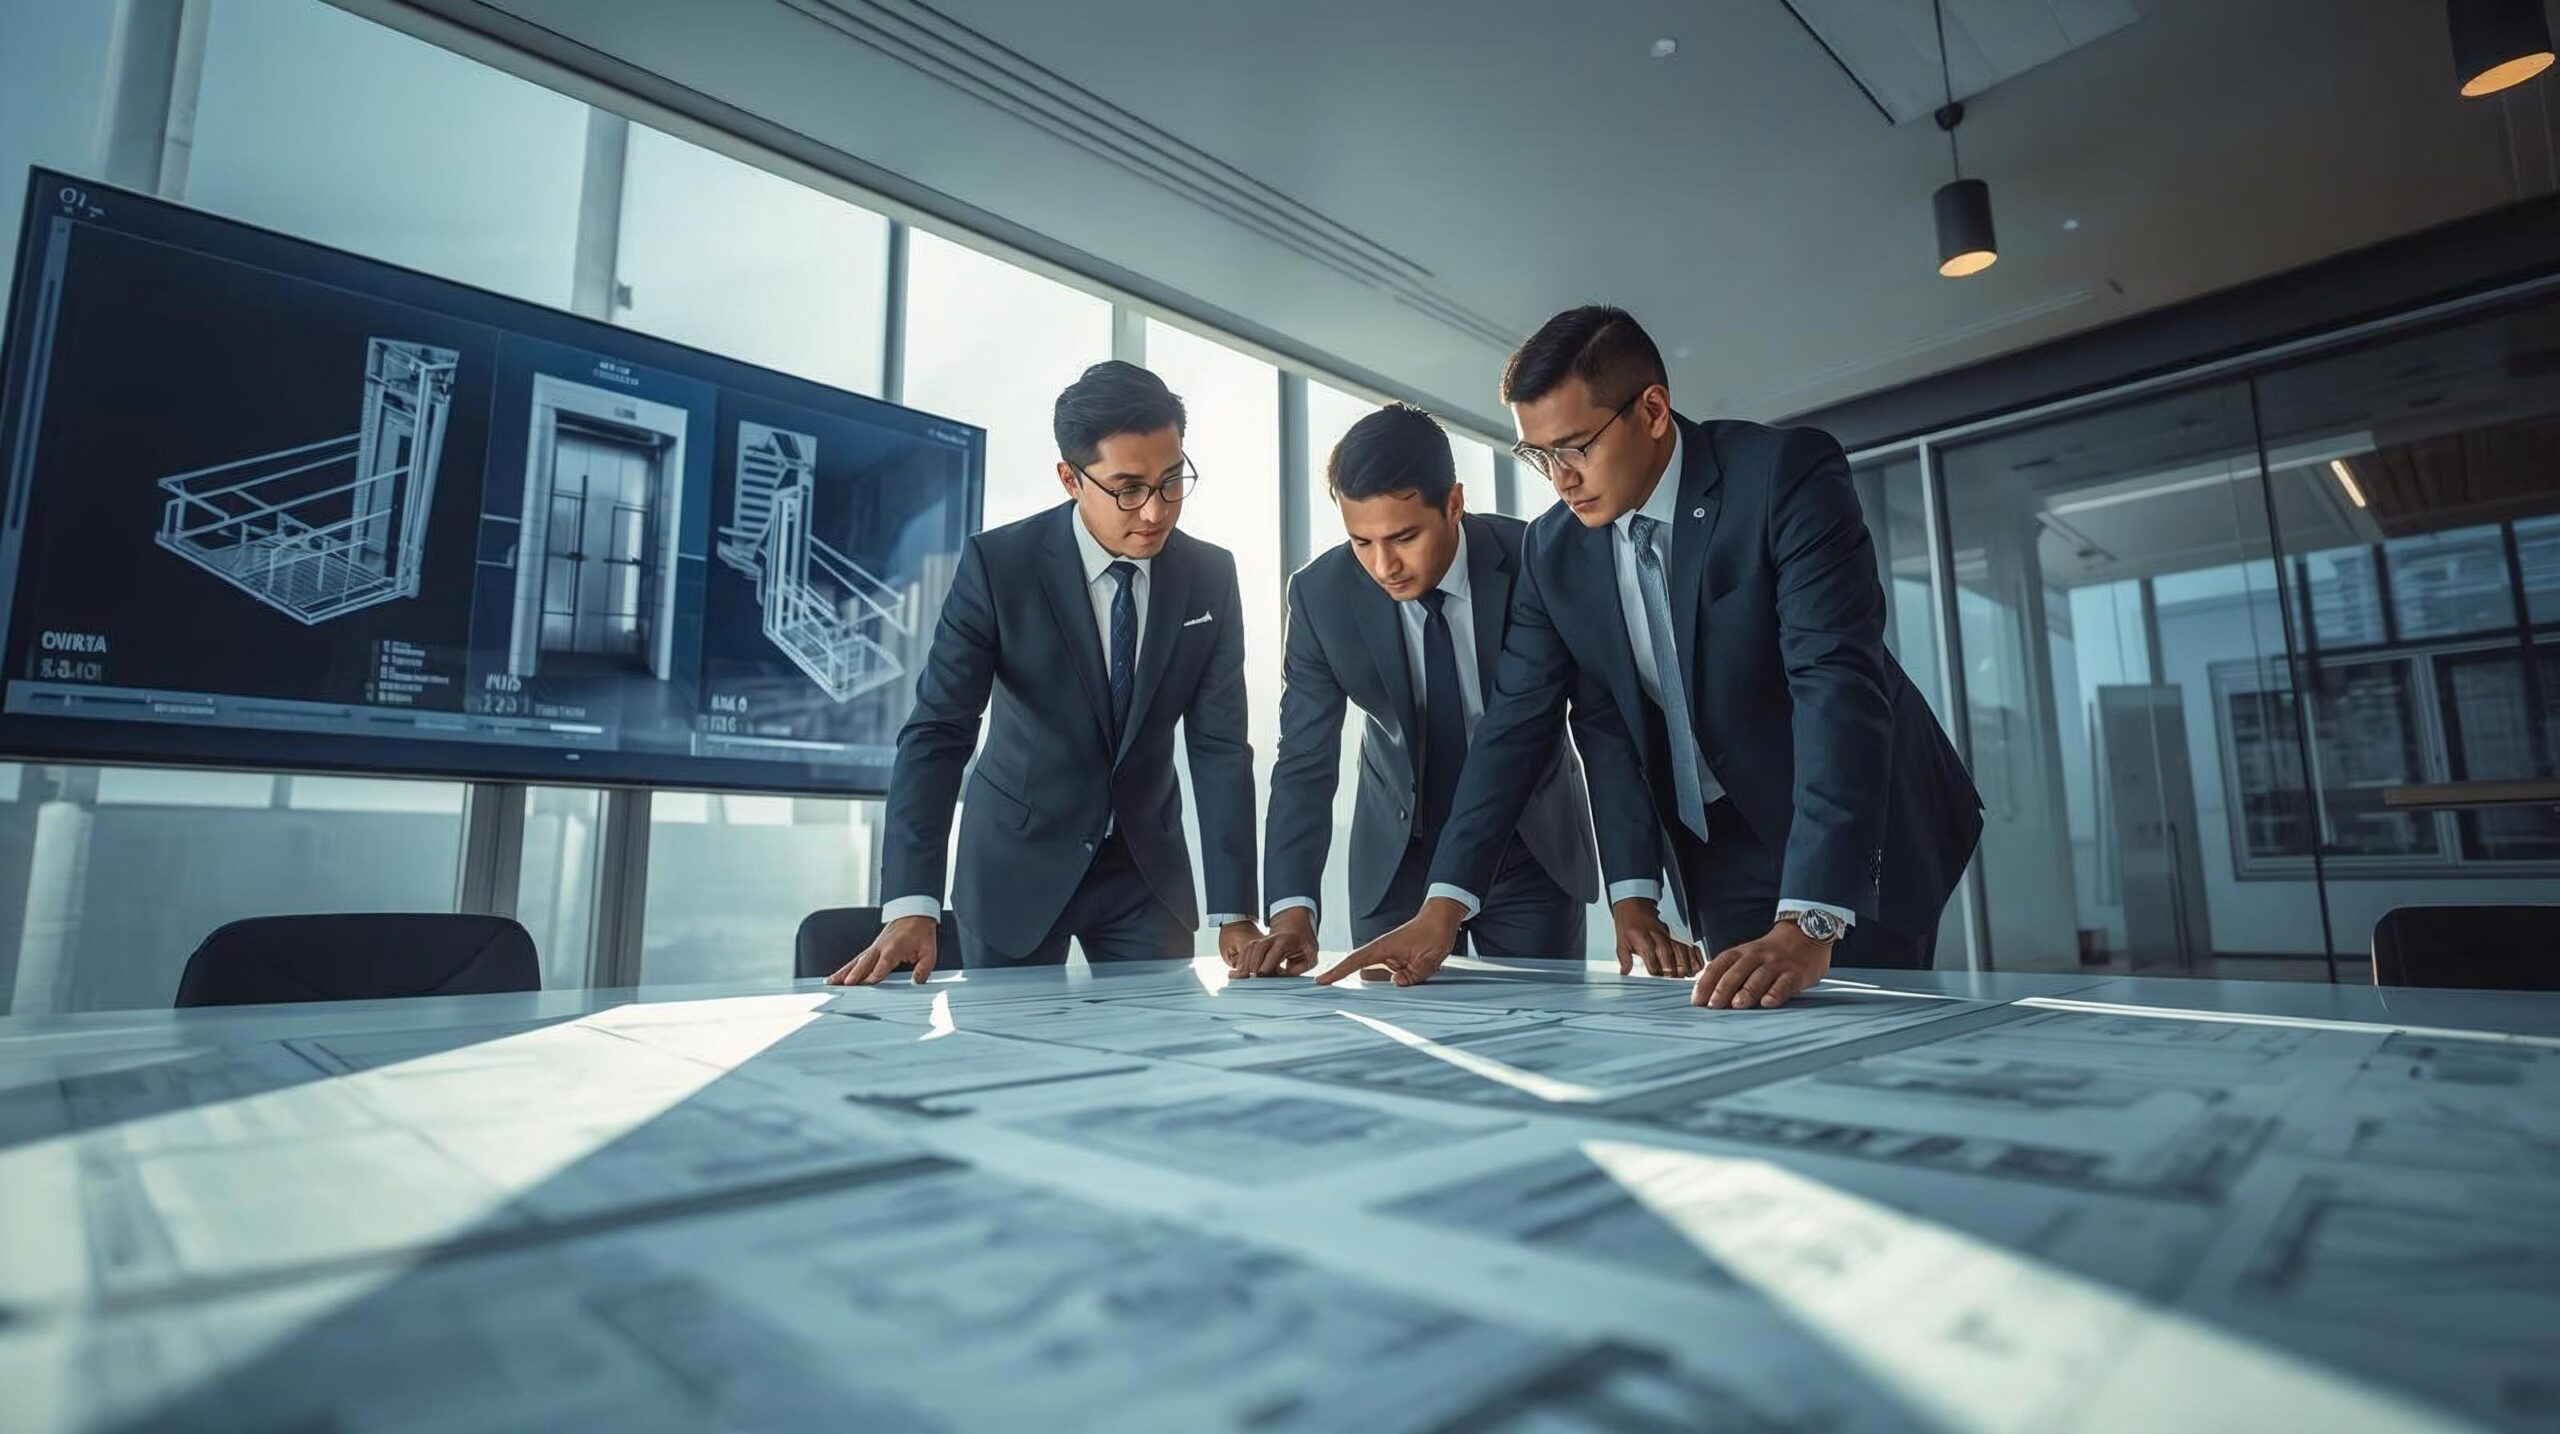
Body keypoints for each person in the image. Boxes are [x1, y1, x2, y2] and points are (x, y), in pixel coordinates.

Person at [1323, 306, 1982, 1009]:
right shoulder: (1554, 552)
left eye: (1574, 447)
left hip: (1856, 820)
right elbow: (1537, 726)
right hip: (1717, 842)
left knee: (1881, 1041)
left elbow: (1836, 686)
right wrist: (1443, 910)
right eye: (1537, 455)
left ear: (1654, 411)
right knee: (1746, 1035)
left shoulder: (1781, 476)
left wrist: (1812, 913)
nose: (1560, 479)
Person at [830, 361, 1260, 982]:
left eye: (1172, 482)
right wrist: (911, 902)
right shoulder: (997, 566)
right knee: (1011, 1062)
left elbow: (1220, 748)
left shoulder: (1210, 575)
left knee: (1164, 1069)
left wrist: (1234, 909)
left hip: (1144, 874)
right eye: (1128, 488)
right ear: (1069, 478)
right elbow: (939, 731)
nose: (1155, 512)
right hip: (1014, 866)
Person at [1237, 404, 1692, 979]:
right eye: (1361, 542)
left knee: (1543, 1033)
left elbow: (1603, 727)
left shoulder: (1539, 561)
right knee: (1401, 1052)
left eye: (1404, 537)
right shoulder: (1318, 596)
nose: (1384, 566)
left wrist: (1634, 896)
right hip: (1398, 858)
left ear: (1454, 503)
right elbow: (1304, 760)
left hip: (1529, 850)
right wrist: (1290, 911)